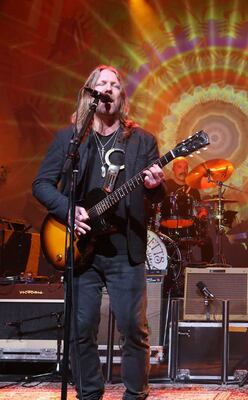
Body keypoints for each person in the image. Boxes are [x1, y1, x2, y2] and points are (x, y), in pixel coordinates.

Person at [32, 65, 166, 400]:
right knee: (80, 328)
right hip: (80, 247)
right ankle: (89, 393)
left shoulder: (142, 140)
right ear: (89, 93)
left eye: (115, 85)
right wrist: (68, 210)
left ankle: (135, 394)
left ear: (122, 96)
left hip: (125, 248)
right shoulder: (70, 139)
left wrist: (154, 186)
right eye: (102, 83)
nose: (109, 88)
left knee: (134, 329)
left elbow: (155, 195)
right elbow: (42, 185)